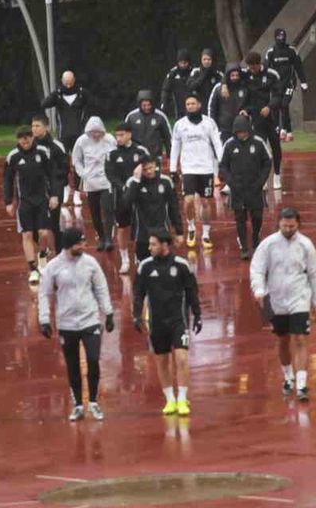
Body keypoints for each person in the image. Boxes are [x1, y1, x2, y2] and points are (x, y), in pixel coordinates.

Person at [38, 227, 115, 421]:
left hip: (90, 320)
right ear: (68, 245)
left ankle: (94, 402)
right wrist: (44, 319)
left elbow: (101, 287)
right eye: (79, 243)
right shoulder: (53, 267)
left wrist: (108, 312)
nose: (83, 246)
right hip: (67, 324)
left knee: (93, 360)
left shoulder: (90, 263)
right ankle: (78, 405)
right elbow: (44, 293)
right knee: (72, 365)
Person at [250, 207, 316, 403]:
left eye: (292, 226)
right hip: (276, 301)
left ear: (298, 224)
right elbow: (257, 269)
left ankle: (301, 384)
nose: (288, 230)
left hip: (299, 298)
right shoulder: (268, 245)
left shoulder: (306, 245)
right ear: (279, 224)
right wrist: (259, 290)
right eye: (285, 226)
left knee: (300, 339)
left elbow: (315, 272)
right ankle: (288, 376)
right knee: (283, 340)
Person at [133, 229, 201, 416]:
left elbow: (192, 291)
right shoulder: (145, 267)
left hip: (178, 321)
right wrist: (137, 315)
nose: (149, 247)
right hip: (157, 322)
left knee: (181, 358)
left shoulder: (181, 265)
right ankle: (170, 399)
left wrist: (197, 314)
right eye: (149, 244)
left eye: (153, 244)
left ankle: (182, 399)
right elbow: (138, 294)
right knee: (162, 362)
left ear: (164, 245)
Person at [3, 126, 60, 284]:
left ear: (32, 137)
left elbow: (53, 174)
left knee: (44, 234)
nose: (25, 140)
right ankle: (32, 269)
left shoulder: (42, 152)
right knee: (27, 235)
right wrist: (8, 202)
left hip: (42, 199)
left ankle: (42, 257)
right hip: (24, 202)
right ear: (18, 140)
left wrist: (54, 195)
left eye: (28, 136)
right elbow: (7, 180)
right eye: (21, 137)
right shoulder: (13, 156)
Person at [170, 94, 225, 251]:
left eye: (193, 103)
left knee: (206, 202)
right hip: (188, 168)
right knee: (188, 201)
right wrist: (173, 168)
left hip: (206, 168)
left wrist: (222, 163)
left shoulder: (209, 123)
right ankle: (191, 227)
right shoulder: (180, 125)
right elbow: (175, 147)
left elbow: (217, 143)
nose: (190, 106)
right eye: (187, 104)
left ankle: (206, 233)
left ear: (199, 105)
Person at [218, 115, 272, 260]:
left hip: (255, 187)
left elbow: (267, 162)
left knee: (257, 216)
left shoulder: (258, 142)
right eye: (238, 132)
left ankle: (255, 237)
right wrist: (230, 181)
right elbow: (222, 165)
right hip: (237, 189)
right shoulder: (229, 144)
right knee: (240, 218)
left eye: (243, 131)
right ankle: (243, 246)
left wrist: (261, 181)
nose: (241, 134)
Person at [104, 122, 151, 273]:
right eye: (117, 135)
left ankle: (139, 255)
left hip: (140, 196)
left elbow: (150, 168)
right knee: (122, 228)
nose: (118, 138)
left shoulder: (141, 151)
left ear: (129, 134)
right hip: (120, 197)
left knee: (141, 226)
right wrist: (124, 187)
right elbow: (110, 175)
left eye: (121, 135)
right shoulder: (111, 154)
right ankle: (125, 259)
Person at [120, 154, 185, 262]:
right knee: (144, 267)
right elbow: (125, 205)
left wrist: (179, 232)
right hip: (142, 235)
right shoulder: (133, 182)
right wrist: (136, 181)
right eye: (145, 169)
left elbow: (174, 208)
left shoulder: (166, 181)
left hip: (162, 233)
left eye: (151, 167)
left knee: (164, 265)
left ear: (155, 165)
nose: (149, 171)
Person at [41, 71, 90, 208]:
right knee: (62, 164)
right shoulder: (58, 95)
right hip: (63, 135)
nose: (68, 85)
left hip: (79, 135)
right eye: (66, 82)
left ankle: (77, 193)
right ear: (62, 81)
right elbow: (44, 103)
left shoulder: (81, 93)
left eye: (70, 82)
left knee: (78, 163)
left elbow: (94, 104)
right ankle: (66, 188)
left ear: (74, 80)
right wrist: (55, 93)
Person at [240, 52, 285, 190]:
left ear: (259, 64)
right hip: (257, 117)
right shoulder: (245, 74)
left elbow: (278, 95)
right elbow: (230, 74)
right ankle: (262, 178)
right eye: (249, 67)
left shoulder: (271, 74)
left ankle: (277, 174)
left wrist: (269, 107)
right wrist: (246, 110)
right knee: (259, 147)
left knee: (275, 146)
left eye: (254, 67)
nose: (251, 70)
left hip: (272, 117)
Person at [71, 117, 117, 251]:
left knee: (108, 209)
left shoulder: (109, 139)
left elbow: (115, 156)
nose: (96, 135)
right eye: (93, 132)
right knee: (94, 211)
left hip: (106, 180)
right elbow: (76, 159)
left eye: (98, 132)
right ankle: (101, 237)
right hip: (90, 182)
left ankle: (108, 238)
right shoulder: (81, 141)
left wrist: (113, 173)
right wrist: (83, 173)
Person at [264, 28, 309, 142]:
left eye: (283, 36)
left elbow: (299, 66)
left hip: (289, 83)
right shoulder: (271, 52)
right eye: (279, 36)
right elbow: (266, 69)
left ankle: (287, 130)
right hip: (275, 85)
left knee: (284, 105)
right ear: (275, 37)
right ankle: (279, 130)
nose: (281, 39)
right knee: (276, 106)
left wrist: (303, 82)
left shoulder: (291, 50)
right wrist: (266, 83)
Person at [32, 115, 70, 250]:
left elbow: (64, 170)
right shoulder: (30, 145)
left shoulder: (57, 146)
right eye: (33, 126)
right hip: (35, 191)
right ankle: (42, 250)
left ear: (46, 127)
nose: (34, 129)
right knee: (34, 225)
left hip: (54, 188)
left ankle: (59, 252)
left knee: (55, 224)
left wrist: (56, 191)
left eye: (37, 126)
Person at [125, 89, 173, 163]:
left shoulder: (160, 116)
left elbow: (168, 138)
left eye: (149, 105)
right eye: (144, 105)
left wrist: (170, 156)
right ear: (139, 104)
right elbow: (125, 136)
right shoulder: (131, 116)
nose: (147, 107)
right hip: (136, 155)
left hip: (155, 157)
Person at [207, 62, 247, 143]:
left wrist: (247, 111)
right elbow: (211, 108)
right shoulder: (218, 88)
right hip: (223, 129)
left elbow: (249, 104)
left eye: (237, 75)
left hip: (241, 128)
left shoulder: (244, 87)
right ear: (228, 75)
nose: (235, 77)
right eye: (232, 75)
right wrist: (212, 126)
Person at [161, 49, 194, 120]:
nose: (183, 65)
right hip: (178, 108)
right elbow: (165, 90)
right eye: (181, 63)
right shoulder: (173, 73)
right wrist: (164, 104)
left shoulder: (194, 72)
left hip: (192, 105)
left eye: (185, 63)